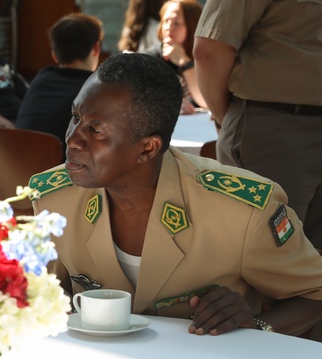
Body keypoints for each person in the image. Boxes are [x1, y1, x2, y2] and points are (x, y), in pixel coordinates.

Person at [30, 53, 322, 337]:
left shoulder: (242, 212)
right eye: (75, 116)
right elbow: (48, 295)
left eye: (95, 129)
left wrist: (255, 326)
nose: (72, 138)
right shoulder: (54, 199)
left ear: (148, 148)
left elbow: (314, 292)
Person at [194, 0, 322, 249]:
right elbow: (210, 50)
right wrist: (229, 118)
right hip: (275, 128)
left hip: (281, 127)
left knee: (311, 267)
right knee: (264, 253)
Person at [15, 13, 103, 153]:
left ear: (54, 54)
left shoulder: (41, 78)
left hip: (17, 163)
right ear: (96, 48)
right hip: (59, 171)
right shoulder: (95, 89)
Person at [143, 0, 205, 114]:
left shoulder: (205, 59)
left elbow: (205, 101)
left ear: (193, 26)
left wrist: (184, 62)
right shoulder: (149, 60)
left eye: (177, 23)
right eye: (166, 21)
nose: (169, 27)